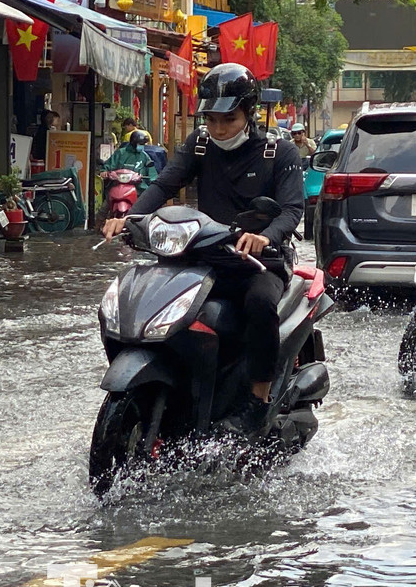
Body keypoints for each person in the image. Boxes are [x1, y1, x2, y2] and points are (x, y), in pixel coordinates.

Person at [101, 63, 305, 435]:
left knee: (259, 305)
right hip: (204, 255)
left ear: (249, 112)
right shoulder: (198, 144)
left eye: (228, 118)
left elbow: (292, 209)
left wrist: (265, 237)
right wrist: (130, 218)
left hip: (258, 261)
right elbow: (164, 186)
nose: (218, 128)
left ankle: (258, 400)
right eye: (211, 119)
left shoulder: (280, 152)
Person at [101, 129, 158, 194]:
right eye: (140, 144)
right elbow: (109, 165)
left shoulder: (144, 156)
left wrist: (154, 183)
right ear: (134, 143)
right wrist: (104, 172)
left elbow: (153, 174)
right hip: (118, 187)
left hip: (139, 190)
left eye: (143, 144)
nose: (142, 146)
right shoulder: (120, 153)